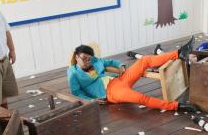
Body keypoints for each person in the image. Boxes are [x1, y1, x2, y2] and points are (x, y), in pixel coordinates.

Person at [67, 38, 199, 112]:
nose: (87, 61)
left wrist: (120, 65)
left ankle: (179, 53)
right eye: (84, 58)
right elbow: (76, 93)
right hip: (112, 92)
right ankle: (177, 106)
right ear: (76, 56)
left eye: (89, 58)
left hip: (118, 80)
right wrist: (91, 101)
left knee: (145, 60)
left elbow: (108, 61)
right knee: (142, 98)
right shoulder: (73, 73)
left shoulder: (93, 60)